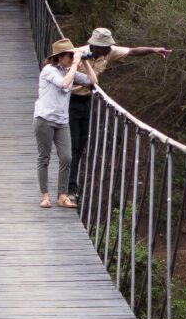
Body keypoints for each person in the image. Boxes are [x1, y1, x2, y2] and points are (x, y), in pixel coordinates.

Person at [66, 27, 171, 200]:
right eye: (106, 46)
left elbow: (132, 52)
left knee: (81, 144)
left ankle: (71, 185)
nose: (109, 49)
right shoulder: (76, 54)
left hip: (85, 101)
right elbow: (51, 65)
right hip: (69, 100)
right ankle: (70, 189)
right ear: (95, 46)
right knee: (73, 145)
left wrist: (153, 50)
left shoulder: (107, 52)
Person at [34, 38, 96, 209]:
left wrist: (85, 61)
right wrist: (75, 65)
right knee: (44, 158)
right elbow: (64, 84)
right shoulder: (49, 70)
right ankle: (45, 196)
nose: (71, 58)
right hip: (44, 119)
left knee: (67, 157)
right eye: (69, 55)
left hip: (62, 121)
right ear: (60, 57)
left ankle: (62, 196)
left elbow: (93, 82)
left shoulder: (68, 69)